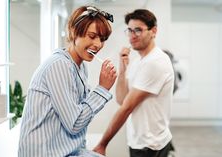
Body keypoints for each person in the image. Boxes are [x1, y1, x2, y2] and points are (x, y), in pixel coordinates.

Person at [18, 6, 117, 157]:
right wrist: (102, 89)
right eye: (92, 36)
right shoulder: (59, 65)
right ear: (74, 32)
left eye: (102, 39)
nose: (98, 44)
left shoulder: (80, 66)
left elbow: (78, 116)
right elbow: (75, 124)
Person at [93, 9, 174, 157]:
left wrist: (102, 144)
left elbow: (126, 108)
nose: (132, 36)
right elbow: (121, 99)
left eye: (138, 30)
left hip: (151, 146)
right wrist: (123, 68)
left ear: (153, 31)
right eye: (129, 30)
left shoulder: (155, 62)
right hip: (140, 142)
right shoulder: (138, 61)